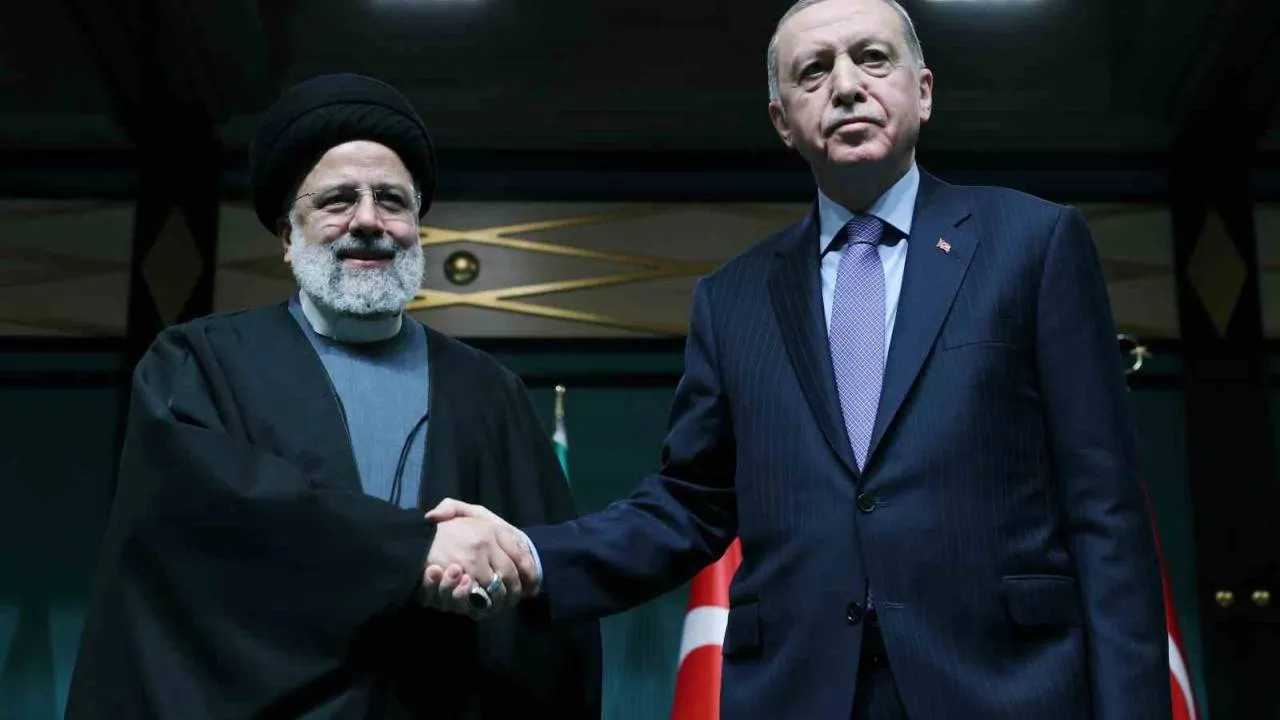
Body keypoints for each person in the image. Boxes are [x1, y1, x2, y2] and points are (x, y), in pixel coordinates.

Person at [423, 1, 1171, 718]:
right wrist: (532, 552)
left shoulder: (1033, 245)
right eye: (813, 71)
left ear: (923, 91)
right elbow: (690, 504)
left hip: (1005, 688)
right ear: (783, 121)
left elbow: (1105, 512)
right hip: (801, 691)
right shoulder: (733, 299)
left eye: (872, 58)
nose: (845, 85)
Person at [64, 73, 601, 719]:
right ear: (288, 237)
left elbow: (543, 598)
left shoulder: (490, 393)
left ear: (417, 227)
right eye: (337, 200)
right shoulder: (200, 364)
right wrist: (412, 553)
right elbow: (207, 532)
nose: (368, 220)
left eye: (392, 201)